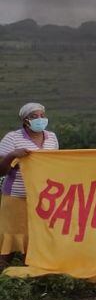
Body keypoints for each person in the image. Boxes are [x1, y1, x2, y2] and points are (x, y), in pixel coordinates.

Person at [0, 103, 60, 267]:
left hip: (42, 197)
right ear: (25, 120)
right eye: (34, 116)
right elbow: (1, 170)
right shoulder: (12, 138)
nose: (40, 119)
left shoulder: (52, 138)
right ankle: (5, 282)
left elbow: (56, 165)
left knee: (36, 238)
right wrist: (12, 155)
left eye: (42, 115)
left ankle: (31, 276)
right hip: (16, 196)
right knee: (9, 239)